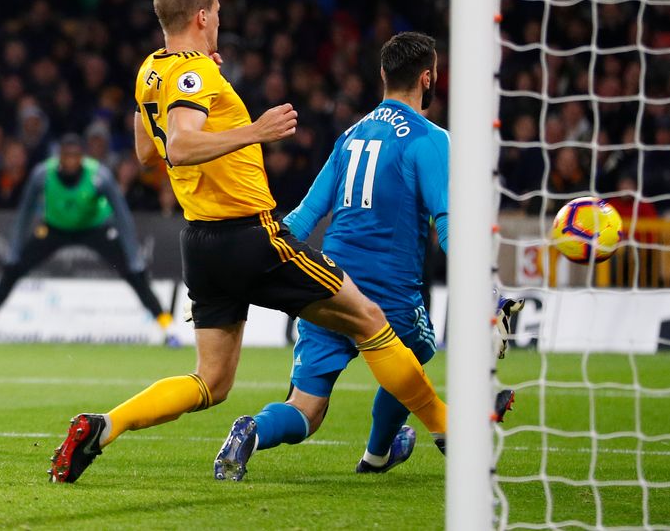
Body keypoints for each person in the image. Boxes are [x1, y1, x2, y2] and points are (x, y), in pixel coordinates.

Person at [48, 0, 447, 484]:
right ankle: (450, 432)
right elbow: (177, 146)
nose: (219, 21)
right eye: (215, 12)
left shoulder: (152, 70)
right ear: (200, 16)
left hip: (200, 244)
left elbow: (145, 152)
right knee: (371, 320)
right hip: (251, 237)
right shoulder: (197, 75)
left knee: (210, 382)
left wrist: (200, 113)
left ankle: (104, 427)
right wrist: (254, 130)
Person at [215, 33, 518, 480]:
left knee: (307, 409)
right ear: (429, 78)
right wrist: (484, 292)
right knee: (414, 353)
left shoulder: (350, 136)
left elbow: (302, 219)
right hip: (387, 292)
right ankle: (387, 450)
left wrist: (252, 268)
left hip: (327, 282)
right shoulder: (431, 139)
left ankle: (251, 430)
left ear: (382, 75)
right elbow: (448, 226)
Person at [0, 134, 173, 344]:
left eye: (76, 156)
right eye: (67, 156)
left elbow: (122, 216)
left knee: (134, 274)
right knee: (13, 270)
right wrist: (14, 252)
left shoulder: (99, 176)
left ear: (82, 157)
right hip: (55, 228)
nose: (72, 161)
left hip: (94, 228)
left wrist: (134, 257)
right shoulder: (42, 174)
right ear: (60, 157)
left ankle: (167, 329)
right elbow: (25, 214)